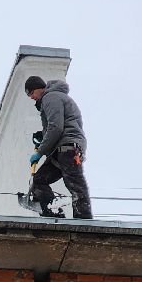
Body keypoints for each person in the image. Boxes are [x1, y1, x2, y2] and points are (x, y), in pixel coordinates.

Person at [25, 75, 92, 220]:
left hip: (68, 148)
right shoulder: (51, 99)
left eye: (30, 93)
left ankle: (84, 220)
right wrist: (43, 136)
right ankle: (52, 208)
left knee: (75, 183)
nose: (30, 97)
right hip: (59, 151)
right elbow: (54, 127)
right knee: (39, 181)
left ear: (38, 88)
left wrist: (41, 151)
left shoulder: (51, 97)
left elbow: (56, 127)